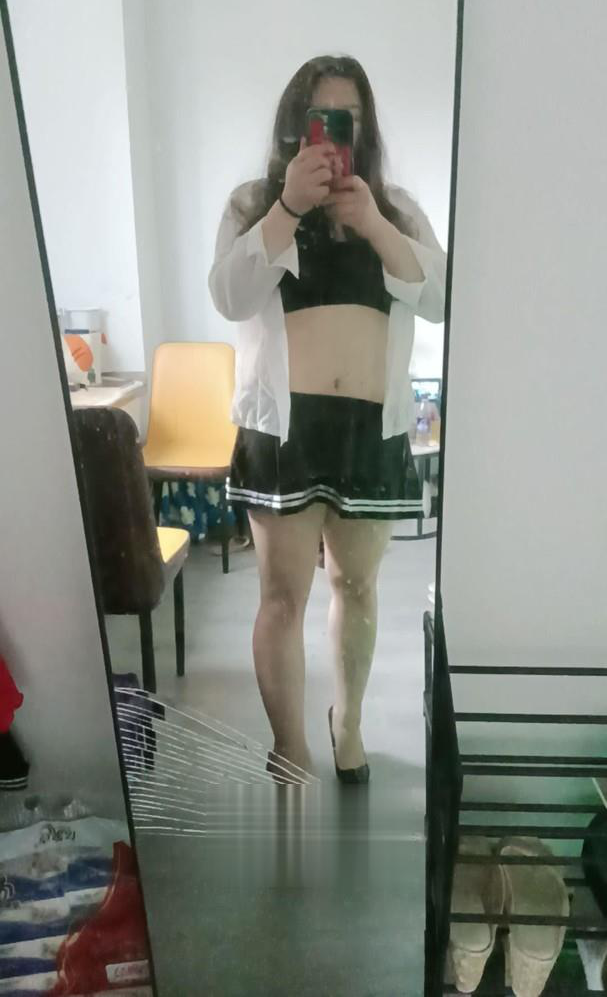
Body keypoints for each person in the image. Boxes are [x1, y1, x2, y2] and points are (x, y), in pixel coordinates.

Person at [209, 55, 446, 784]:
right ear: (297, 125)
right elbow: (228, 297)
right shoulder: (255, 202)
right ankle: (289, 744)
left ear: (365, 129)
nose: (337, 136)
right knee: (281, 598)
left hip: (367, 433)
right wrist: (287, 208)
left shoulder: (394, 208)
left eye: (351, 119)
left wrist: (372, 223)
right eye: (323, 118)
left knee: (358, 588)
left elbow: (442, 297)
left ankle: (348, 720)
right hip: (284, 432)